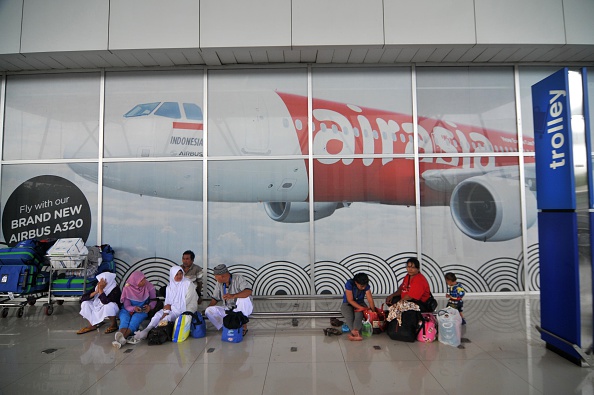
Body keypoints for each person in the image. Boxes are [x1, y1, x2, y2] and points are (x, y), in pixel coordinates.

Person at [133, 266, 198, 340]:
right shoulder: (170, 286)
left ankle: (154, 332)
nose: (179, 276)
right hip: (172, 307)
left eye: (181, 274)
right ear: (172, 275)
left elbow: (187, 300)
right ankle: (146, 330)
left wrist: (170, 308)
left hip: (185, 307)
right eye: (177, 274)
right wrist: (166, 311)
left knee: (167, 318)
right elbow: (167, 302)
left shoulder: (188, 284)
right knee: (157, 315)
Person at [112, 271, 157, 348]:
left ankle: (121, 338)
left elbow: (154, 300)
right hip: (127, 309)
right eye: (141, 280)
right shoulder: (127, 288)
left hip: (142, 310)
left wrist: (149, 306)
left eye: (144, 279)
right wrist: (133, 308)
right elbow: (127, 305)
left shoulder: (149, 286)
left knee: (135, 319)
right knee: (124, 319)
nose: (144, 281)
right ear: (135, 282)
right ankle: (121, 337)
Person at [205, 264, 253, 336]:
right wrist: (207, 308)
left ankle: (242, 326)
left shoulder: (238, 278)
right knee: (209, 311)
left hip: (241, 308)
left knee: (243, 299)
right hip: (228, 308)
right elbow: (215, 298)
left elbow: (248, 291)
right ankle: (227, 326)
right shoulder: (219, 283)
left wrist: (233, 296)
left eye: (216, 277)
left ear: (222, 276)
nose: (215, 279)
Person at [340, 273, 376, 341]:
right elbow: (350, 300)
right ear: (356, 282)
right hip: (347, 303)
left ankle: (354, 333)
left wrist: (373, 311)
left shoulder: (366, 286)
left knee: (359, 315)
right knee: (349, 316)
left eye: (365, 286)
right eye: (362, 286)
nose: (364, 288)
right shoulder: (349, 283)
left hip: (360, 303)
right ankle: (354, 332)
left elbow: (370, 300)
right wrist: (361, 308)